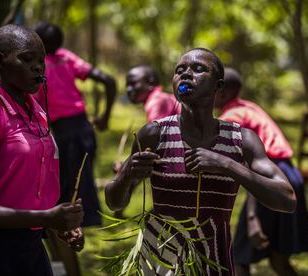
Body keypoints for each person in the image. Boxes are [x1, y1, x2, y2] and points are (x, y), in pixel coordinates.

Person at [105, 48, 296, 275]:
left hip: (214, 256)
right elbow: (114, 202)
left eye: (198, 69)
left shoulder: (242, 140)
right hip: (161, 257)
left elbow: (287, 199)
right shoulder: (154, 134)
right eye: (179, 70)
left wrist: (227, 165)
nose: (186, 75)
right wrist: (128, 173)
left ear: (219, 86)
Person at [0, 24, 84, 276]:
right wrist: (45, 217)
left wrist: (59, 223)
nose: (38, 67)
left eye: (41, 60)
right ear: (0, 61)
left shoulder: (37, 113)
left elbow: (31, 186)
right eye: (27, 59)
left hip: (33, 247)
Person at [34, 22, 116, 275]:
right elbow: (107, 79)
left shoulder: (36, 65)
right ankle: (64, 263)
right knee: (71, 192)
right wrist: (104, 117)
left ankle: (69, 264)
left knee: (61, 198)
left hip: (62, 133)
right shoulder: (66, 57)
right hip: (83, 130)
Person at [214, 68, 308, 276]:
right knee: (278, 259)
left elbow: (249, 169)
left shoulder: (232, 117)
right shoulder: (249, 108)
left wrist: (252, 217)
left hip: (269, 177)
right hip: (290, 175)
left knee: (238, 258)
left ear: (221, 90)